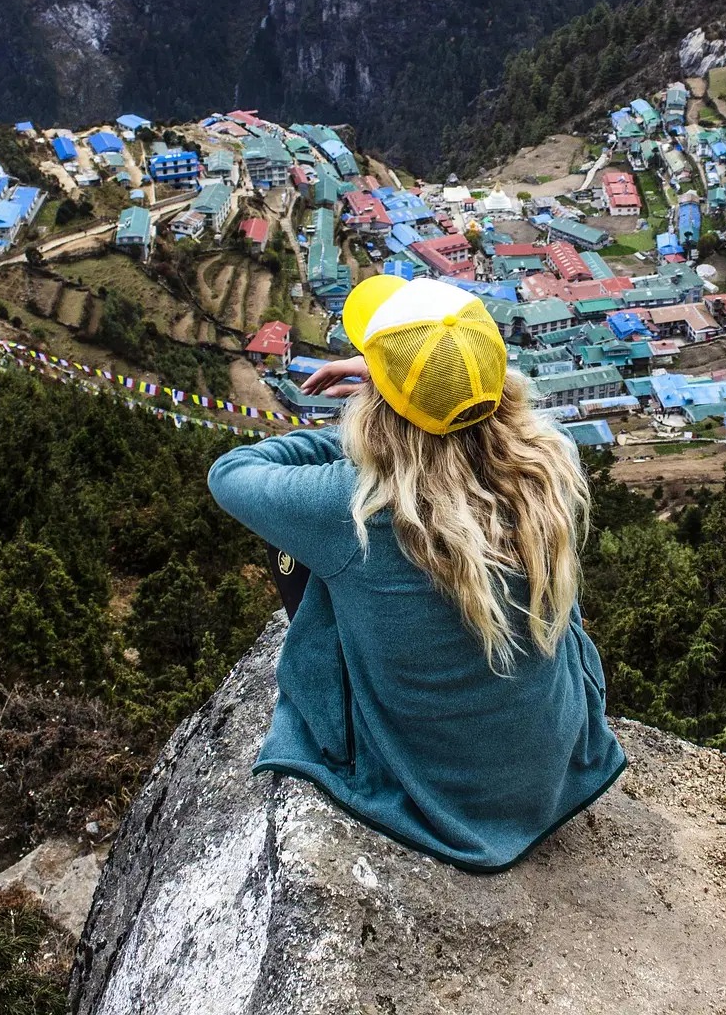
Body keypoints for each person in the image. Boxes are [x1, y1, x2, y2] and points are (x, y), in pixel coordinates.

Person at [208, 275, 625, 874]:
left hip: (438, 794)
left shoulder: (353, 506)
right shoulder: (550, 457)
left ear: (382, 402)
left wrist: (365, 420)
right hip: (551, 768)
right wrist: (409, 383)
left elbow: (231, 473)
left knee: (299, 548)